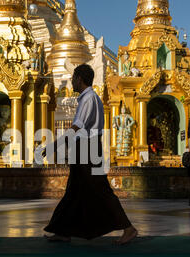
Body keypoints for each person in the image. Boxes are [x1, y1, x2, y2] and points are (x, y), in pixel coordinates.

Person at [43, 64, 138, 245]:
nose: (71, 81)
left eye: (73, 78)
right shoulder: (87, 98)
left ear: (79, 78)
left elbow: (78, 125)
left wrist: (55, 145)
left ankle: (129, 228)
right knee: (73, 189)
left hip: (88, 148)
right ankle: (63, 230)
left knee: (100, 188)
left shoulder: (89, 99)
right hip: (83, 147)